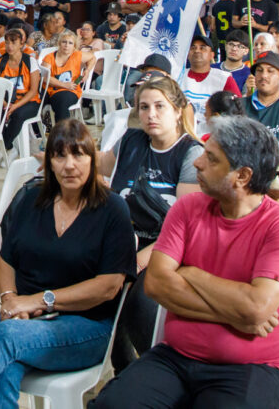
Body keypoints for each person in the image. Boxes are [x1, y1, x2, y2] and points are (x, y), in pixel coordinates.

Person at [91, 116, 279, 408]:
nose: (198, 164)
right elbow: (155, 284)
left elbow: (256, 309)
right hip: (176, 357)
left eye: (211, 159)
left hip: (248, 367)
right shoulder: (187, 208)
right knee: (110, 404)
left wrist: (190, 273)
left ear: (242, 176)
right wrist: (239, 316)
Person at [0, 119, 134, 409]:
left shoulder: (113, 210)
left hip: (86, 327)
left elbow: (108, 287)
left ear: (93, 158)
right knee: (3, 366)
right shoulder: (31, 200)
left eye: (79, 154)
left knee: (4, 338)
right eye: (60, 155)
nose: (69, 165)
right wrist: (10, 299)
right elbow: (7, 260)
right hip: (24, 319)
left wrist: (39, 301)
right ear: (49, 161)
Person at [97, 78, 203, 369]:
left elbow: (187, 225)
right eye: (144, 107)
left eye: (159, 106)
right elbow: (102, 164)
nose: (150, 114)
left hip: (167, 247)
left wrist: (143, 257)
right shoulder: (132, 140)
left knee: (139, 301)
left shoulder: (191, 153)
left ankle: (157, 371)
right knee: (95, 289)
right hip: (122, 240)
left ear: (178, 110)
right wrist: (62, 156)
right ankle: (122, 368)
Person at [178, 34, 240, 133]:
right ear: (188, 54)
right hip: (182, 134)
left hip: (213, 136)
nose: (197, 50)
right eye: (193, 48)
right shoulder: (177, 76)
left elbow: (238, 109)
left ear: (212, 55)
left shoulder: (224, 78)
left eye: (202, 48)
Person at [0, 27, 41, 154]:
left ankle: (2, 150)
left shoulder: (30, 61)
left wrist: (14, 107)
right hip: (7, 101)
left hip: (29, 100)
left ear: (21, 44)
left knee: (18, 114)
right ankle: (10, 148)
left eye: (13, 42)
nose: (10, 46)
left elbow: (33, 91)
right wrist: (6, 105)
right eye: (7, 42)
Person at [41, 29, 83, 119]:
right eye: (64, 42)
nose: (67, 45)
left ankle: (62, 131)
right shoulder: (49, 57)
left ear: (74, 46)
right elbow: (45, 78)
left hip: (71, 90)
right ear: (59, 43)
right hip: (49, 90)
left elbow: (92, 58)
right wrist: (64, 85)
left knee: (62, 100)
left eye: (70, 43)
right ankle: (37, 130)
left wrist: (86, 72)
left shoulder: (77, 55)